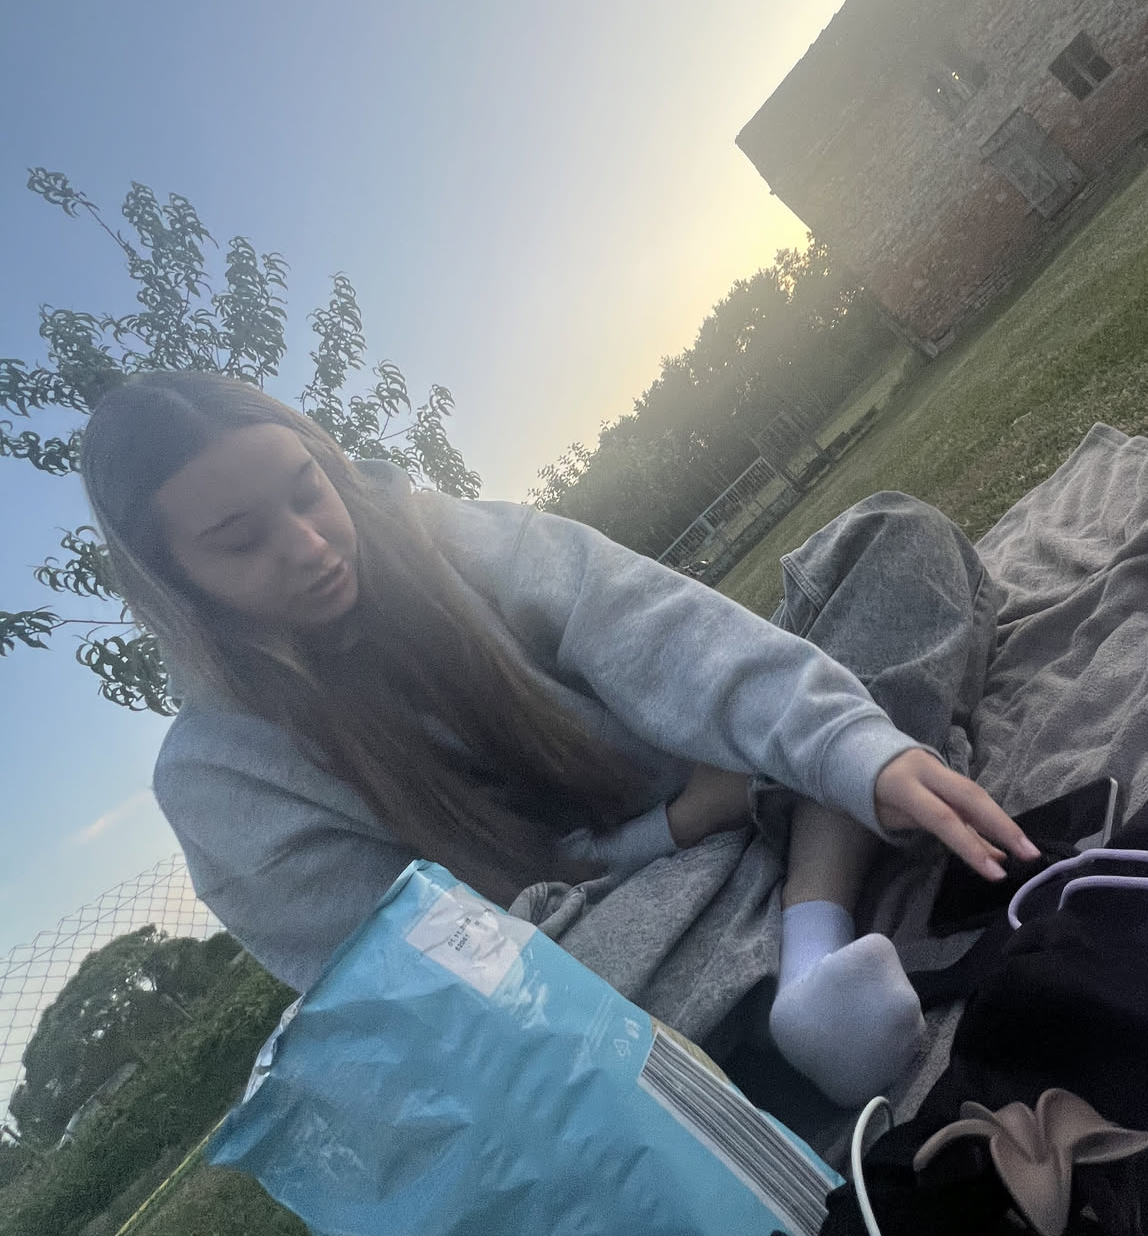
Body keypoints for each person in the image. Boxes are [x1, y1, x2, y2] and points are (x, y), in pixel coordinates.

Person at [79, 369, 1038, 1106]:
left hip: (716, 779)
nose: (311, 546)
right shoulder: (221, 782)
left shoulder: (450, 538)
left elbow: (657, 628)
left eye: (308, 490)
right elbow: (441, 974)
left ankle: (810, 952)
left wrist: (852, 750)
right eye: (241, 541)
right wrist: (676, 827)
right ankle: (815, 853)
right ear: (174, 581)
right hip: (603, 934)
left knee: (890, 540)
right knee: (542, 1009)